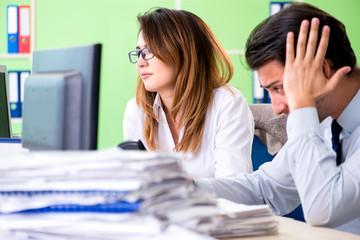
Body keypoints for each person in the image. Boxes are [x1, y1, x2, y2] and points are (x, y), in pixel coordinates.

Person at [195, 3, 360, 235]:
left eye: (282, 88)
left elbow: (324, 208)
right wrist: (189, 188)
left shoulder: (308, 117)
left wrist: (302, 106)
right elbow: (265, 189)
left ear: (322, 71)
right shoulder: (324, 122)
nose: (277, 108)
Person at [123, 8, 254, 178]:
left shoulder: (228, 103)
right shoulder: (136, 110)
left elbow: (234, 190)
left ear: (182, 52)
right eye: (139, 52)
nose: (140, 63)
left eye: (149, 52)